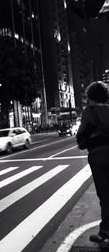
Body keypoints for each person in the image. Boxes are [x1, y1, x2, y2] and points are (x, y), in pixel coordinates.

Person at [76, 81, 109, 246]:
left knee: (105, 194)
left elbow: (81, 137)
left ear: (91, 97)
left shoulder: (89, 112)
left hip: (98, 156)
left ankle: (105, 231)